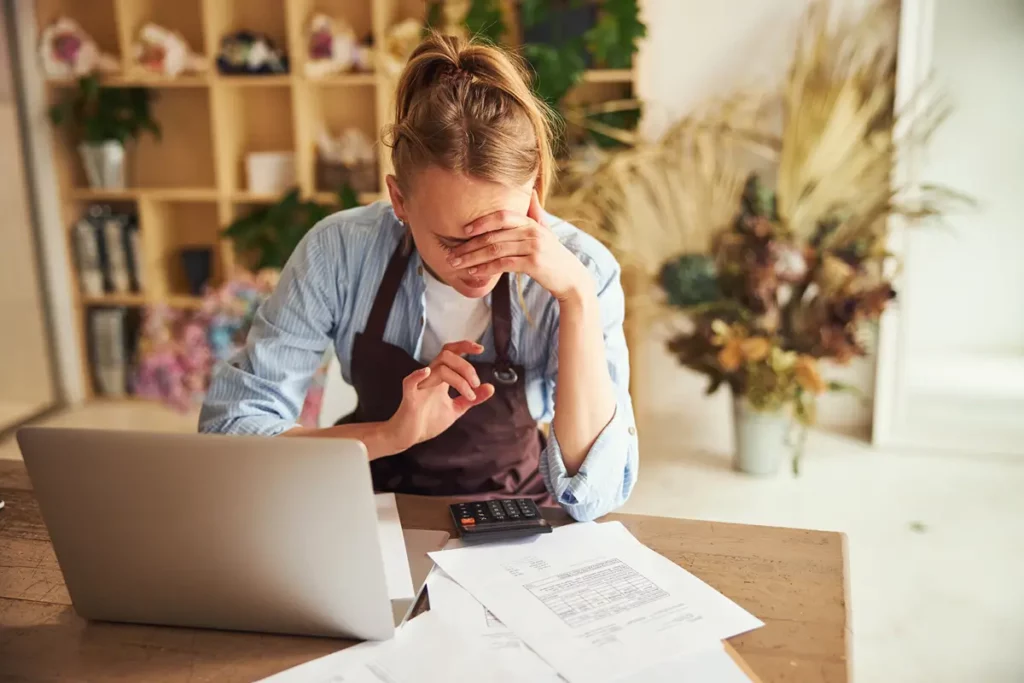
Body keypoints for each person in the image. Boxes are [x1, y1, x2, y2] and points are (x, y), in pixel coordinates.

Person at [199, 33, 638, 522]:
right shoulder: (339, 250)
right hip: (368, 510)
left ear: (533, 193)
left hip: (516, 516)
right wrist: (391, 434)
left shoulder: (584, 269)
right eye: (454, 242)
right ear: (399, 200)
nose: (478, 264)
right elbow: (231, 434)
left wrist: (576, 298)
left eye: (499, 235)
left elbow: (595, 491)